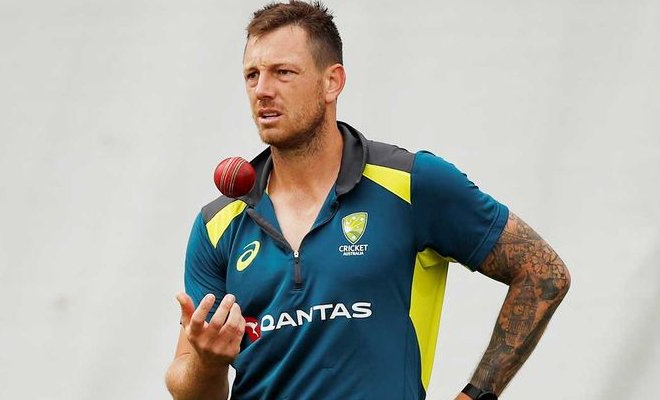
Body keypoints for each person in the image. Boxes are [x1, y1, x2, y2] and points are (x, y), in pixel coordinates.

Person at [165, 1, 571, 399]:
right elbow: (187, 386)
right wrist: (208, 362)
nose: (262, 91)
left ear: (332, 82)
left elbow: (543, 273)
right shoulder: (218, 224)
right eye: (252, 75)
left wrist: (476, 396)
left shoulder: (411, 184)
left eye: (283, 72)